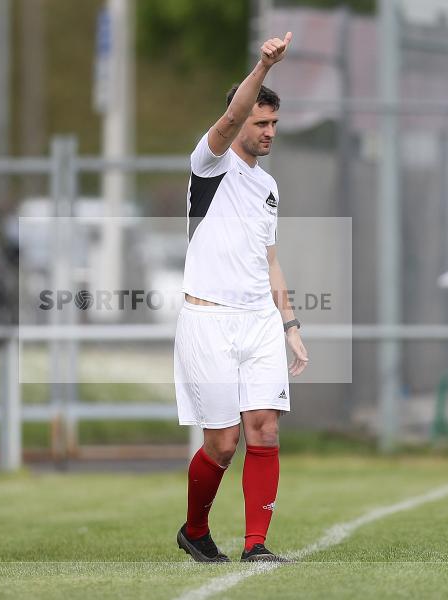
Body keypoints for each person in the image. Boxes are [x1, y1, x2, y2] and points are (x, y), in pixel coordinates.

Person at [173, 32, 308, 564]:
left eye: (274, 123)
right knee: (223, 443)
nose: (269, 131)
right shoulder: (209, 163)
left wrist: (290, 325)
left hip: (259, 322)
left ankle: (256, 545)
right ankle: (195, 530)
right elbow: (229, 118)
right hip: (208, 321)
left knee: (264, 431)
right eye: (260, 122)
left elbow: (269, 260)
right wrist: (264, 66)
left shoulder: (268, 187)